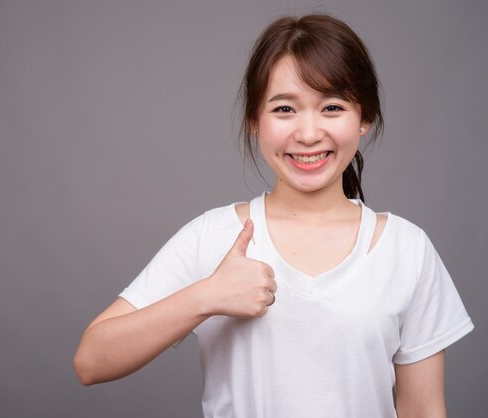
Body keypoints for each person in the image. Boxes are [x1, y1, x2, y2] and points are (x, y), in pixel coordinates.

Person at [74, 13, 474, 417]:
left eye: (332, 107)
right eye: (284, 109)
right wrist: (205, 296)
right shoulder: (214, 238)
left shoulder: (407, 250)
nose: (308, 133)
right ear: (254, 121)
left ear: (364, 117)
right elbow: (91, 361)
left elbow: (423, 410)